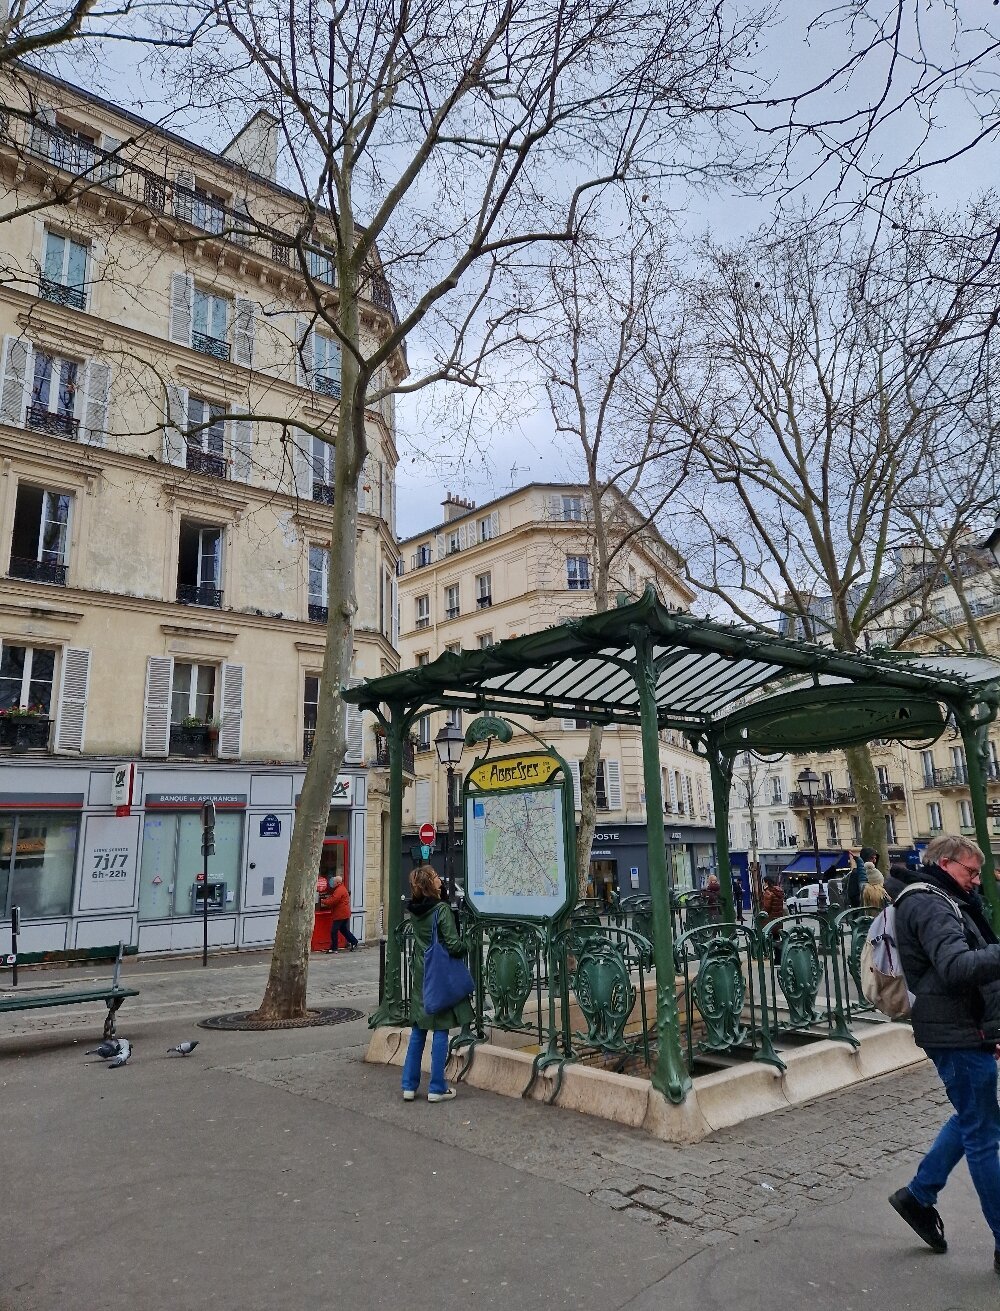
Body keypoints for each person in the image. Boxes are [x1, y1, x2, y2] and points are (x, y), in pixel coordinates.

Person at [886, 835, 1000, 1274]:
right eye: (970, 871)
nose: (976, 881)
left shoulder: (942, 897)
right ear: (945, 863)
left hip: (962, 1028)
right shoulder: (930, 903)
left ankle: (917, 1196)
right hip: (954, 1032)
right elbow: (955, 968)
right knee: (982, 1134)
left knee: (975, 1118)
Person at [401, 865, 474, 1103]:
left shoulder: (415, 910)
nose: (440, 880)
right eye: (435, 878)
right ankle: (436, 1087)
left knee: (418, 1030)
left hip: (421, 972)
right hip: (438, 973)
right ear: (429, 884)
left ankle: (409, 1086)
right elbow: (452, 944)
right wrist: (467, 945)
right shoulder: (441, 909)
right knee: (440, 1029)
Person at [325, 874, 359, 953]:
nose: (332, 883)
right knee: (343, 929)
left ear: (337, 882)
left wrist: (324, 901)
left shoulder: (339, 890)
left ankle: (334, 948)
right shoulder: (341, 889)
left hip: (340, 914)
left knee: (334, 931)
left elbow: (333, 901)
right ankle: (354, 941)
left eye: (333, 882)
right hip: (344, 914)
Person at [761, 873, 786, 961]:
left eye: (764, 882)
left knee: (767, 937)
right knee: (777, 938)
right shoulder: (779, 891)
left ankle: (769, 956)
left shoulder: (769, 892)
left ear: (766, 882)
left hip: (770, 919)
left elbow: (767, 907)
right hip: (778, 919)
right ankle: (779, 958)